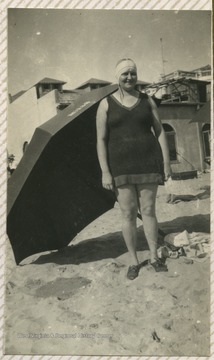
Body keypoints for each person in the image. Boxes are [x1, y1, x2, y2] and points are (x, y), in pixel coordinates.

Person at [96, 59, 171, 280]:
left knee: (148, 211)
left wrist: (166, 162)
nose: (129, 77)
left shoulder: (147, 101)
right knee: (128, 214)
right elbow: (100, 140)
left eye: (133, 73)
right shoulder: (106, 104)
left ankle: (155, 257)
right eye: (124, 74)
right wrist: (105, 171)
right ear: (117, 76)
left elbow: (159, 131)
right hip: (120, 167)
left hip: (147, 163)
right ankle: (134, 261)